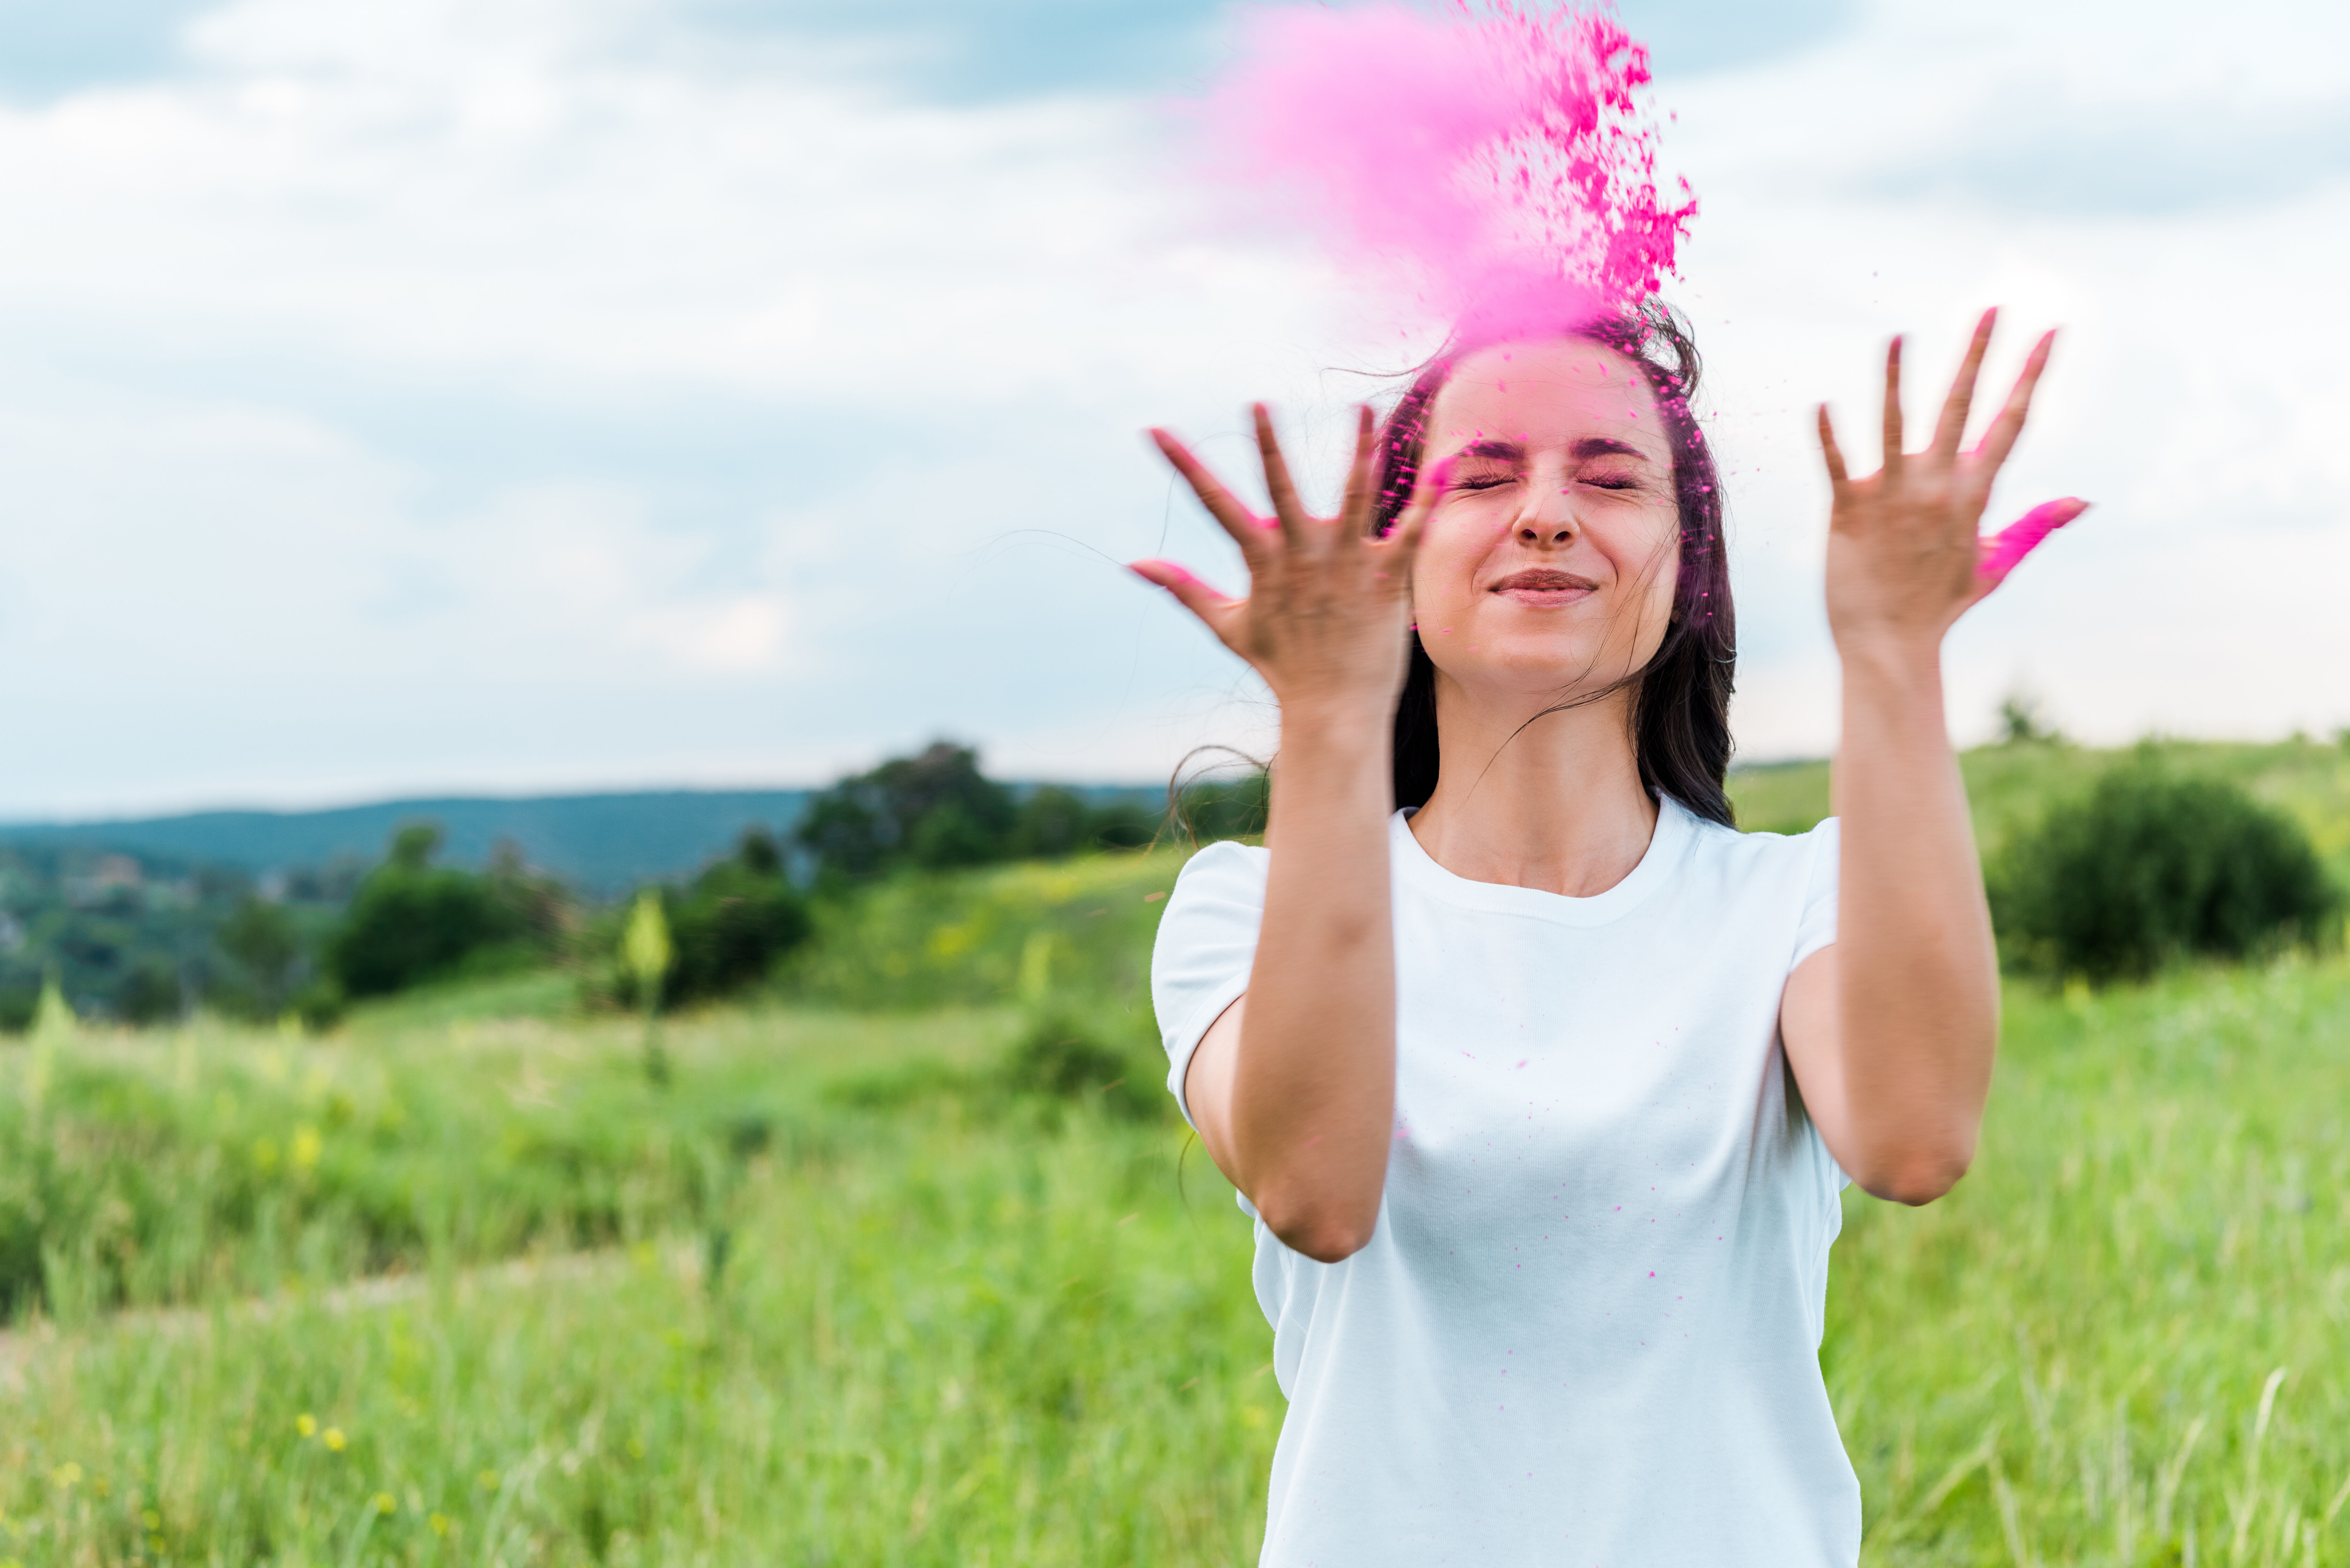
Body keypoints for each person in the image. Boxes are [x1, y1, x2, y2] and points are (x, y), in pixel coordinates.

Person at [1134, 303, 2081, 1566]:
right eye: (1482, 475)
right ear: (1394, 565)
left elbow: (1913, 1140)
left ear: (1689, 567)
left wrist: (1893, 650)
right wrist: (1327, 716)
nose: (1542, 512)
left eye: (1609, 474)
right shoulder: (1243, 911)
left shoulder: (1791, 902)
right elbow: (1317, 1192)